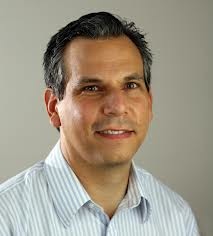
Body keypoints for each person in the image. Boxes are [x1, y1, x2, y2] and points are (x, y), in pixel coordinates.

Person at [0, 12, 200, 235]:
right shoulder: (6, 218)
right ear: (53, 107)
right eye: (91, 88)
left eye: (131, 85)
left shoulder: (177, 217)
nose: (116, 106)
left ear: (149, 102)